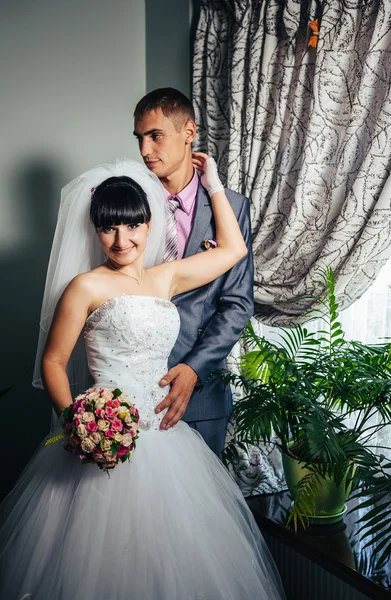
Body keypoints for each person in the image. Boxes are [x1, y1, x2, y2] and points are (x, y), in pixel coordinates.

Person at [0, 156, 285, 599]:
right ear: (96, 232)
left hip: (166, 437)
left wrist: (213, 185)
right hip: (105, 430)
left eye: (131, 226)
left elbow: (234, 251)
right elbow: (53, 362)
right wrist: (78, 421)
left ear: (149, 225)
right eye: (109, 228)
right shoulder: (86, 287)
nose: (121, 239)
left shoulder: (164, 279)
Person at [134, 88, 254, 456]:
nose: (144, 151)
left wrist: (194, 369)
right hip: (132, 387)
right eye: (139, 138)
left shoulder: (231, 208)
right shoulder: (128, 203)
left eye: (155, 136)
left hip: (201, 398)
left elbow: (237, 303)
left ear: (189, 131)